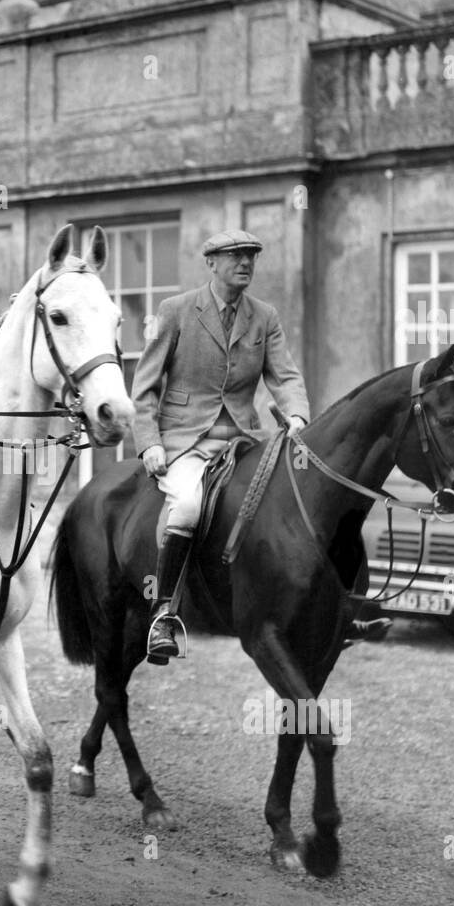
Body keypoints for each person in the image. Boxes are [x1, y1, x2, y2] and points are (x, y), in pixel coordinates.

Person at [132, 229, 310, 664]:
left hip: (245, 440)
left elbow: (284, 377)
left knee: (289, 501)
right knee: (189, 507)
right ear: (211, 263)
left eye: (251, 255)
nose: (245, 262)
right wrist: (149, 443)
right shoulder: (175, 311)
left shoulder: (264, 316)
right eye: (234, 256)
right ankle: (164, 616)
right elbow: (145, 386)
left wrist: (298, 415)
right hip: (185, 440)